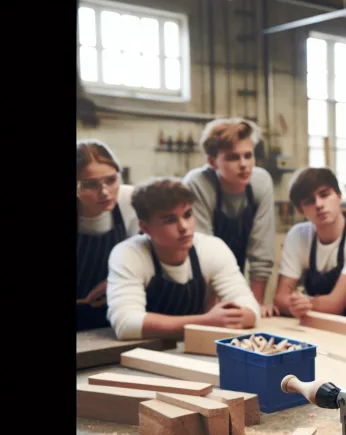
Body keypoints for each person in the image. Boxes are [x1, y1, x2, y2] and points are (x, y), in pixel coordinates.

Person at [107, 178, 260, 340]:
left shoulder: (211, 248)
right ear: (145, 228)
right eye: (170, 220)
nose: (184, 227)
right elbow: (126, 325)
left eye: (187, 215)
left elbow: (250, 309)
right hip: (141, 351)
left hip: (194, 347)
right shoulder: (128, 254)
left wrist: (235, 315)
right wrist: (206, 322)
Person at [183, 118, 277, 316]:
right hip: (197, 281)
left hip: (234, 273)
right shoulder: (198, 183)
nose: (244, 165)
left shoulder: (261, 182)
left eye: (248, 155)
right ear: (212, 162)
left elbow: (262, 249)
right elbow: (203, 251)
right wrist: (210, 311)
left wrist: (255, 306)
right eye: (233, 157)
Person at [274, 167, 346, 321]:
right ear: (301, 210)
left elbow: (335, 304)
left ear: (339, 196)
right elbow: (280, 298)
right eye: (309, 201)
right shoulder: (297, 236)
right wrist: (295, 305)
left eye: (324, 194)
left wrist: (304, 303)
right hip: (319, 325)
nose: (319, 204)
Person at [76, 139, 139, 331]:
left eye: (111, 180)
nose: (104, 193)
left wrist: (113, 282)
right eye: (90, 184)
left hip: (117, 314)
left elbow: (143, 260)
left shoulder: (129, 202)